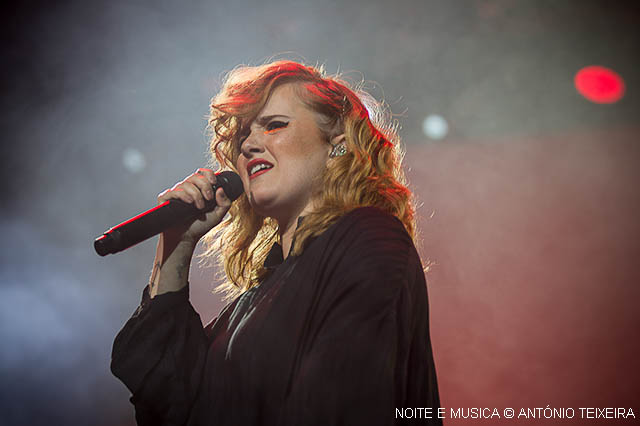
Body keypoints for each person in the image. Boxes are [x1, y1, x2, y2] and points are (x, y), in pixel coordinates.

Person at [111, 60, 441, 425]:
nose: (250, 144)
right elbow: (169, 402)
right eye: (243, 137)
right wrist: (176, 242)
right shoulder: (252, 303)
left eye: (274, 125)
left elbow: (343, 400)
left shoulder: (367, 237)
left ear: (338, 145)